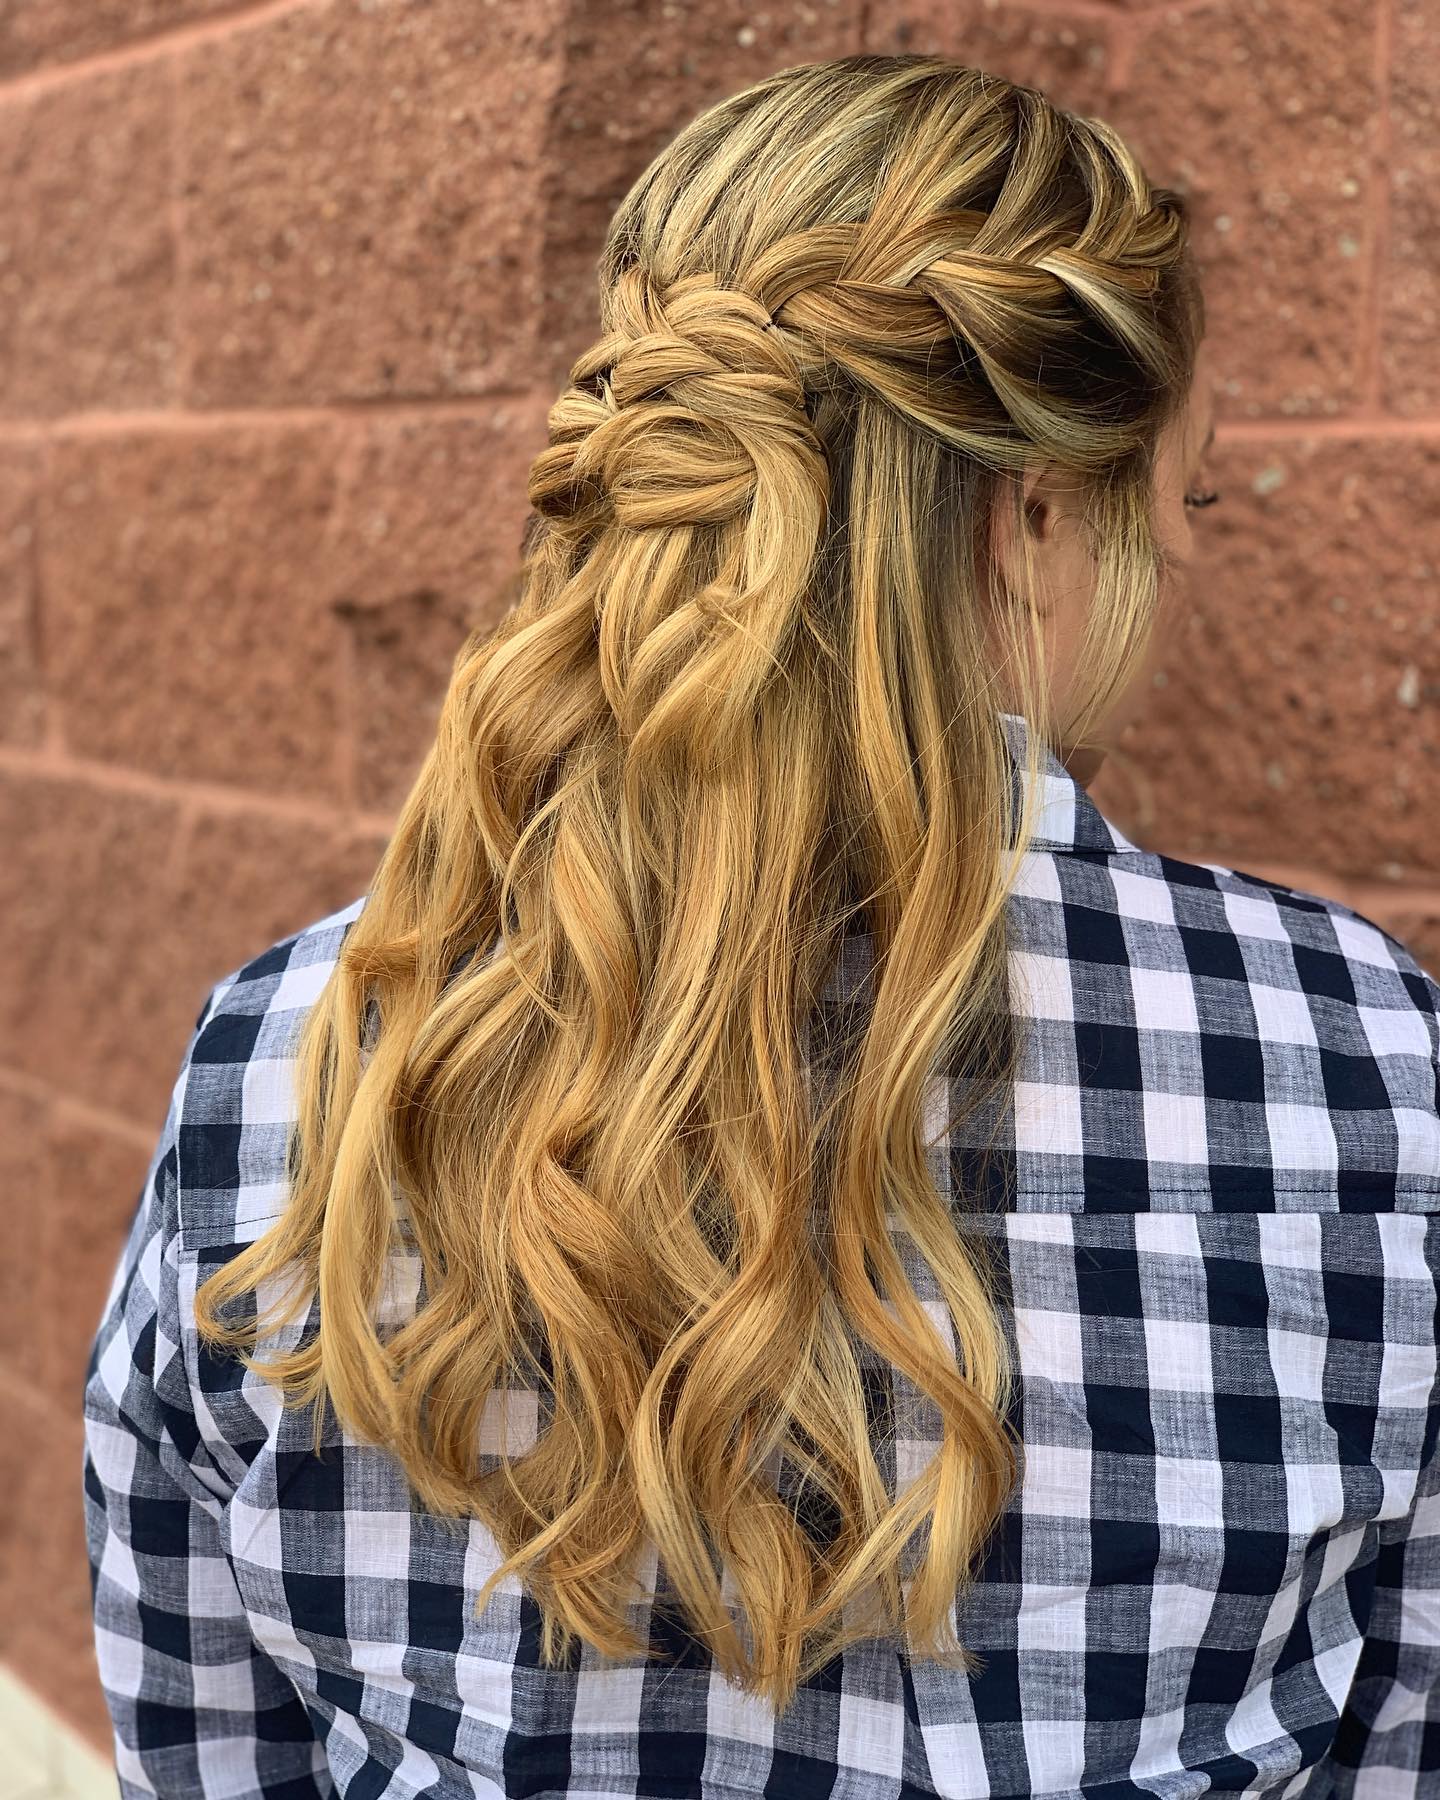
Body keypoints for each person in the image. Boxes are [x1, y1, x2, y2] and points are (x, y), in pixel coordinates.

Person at [82, 52, 1440, 1800]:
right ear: (1034, 515)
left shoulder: (291, 1055)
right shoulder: (1365, 1072)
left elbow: (206, 1735)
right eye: (1191, 500)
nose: (1185, 563)